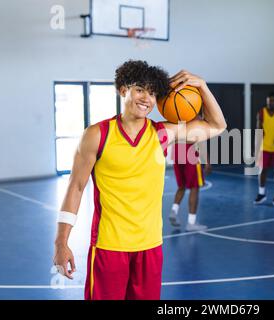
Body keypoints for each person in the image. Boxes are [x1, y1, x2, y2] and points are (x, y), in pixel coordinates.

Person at [52, 60, 226, 300]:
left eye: (153, 92)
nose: (147, 98)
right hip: (109, 247)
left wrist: (203, 86)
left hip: (150, 246)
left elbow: (217, 125)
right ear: (123, 90)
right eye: (140, 89)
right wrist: (61, 242)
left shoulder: (162, 134)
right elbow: (76, 187)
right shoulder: (96, 135)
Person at [169, 140, 211, 232]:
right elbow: (201, 143)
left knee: (181, 186)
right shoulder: (196, 125)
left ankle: (174, 210)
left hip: (176, 151)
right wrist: (208, 162)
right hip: (190, 152)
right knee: (194, 187)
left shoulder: (177, 124)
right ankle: (191, 223)